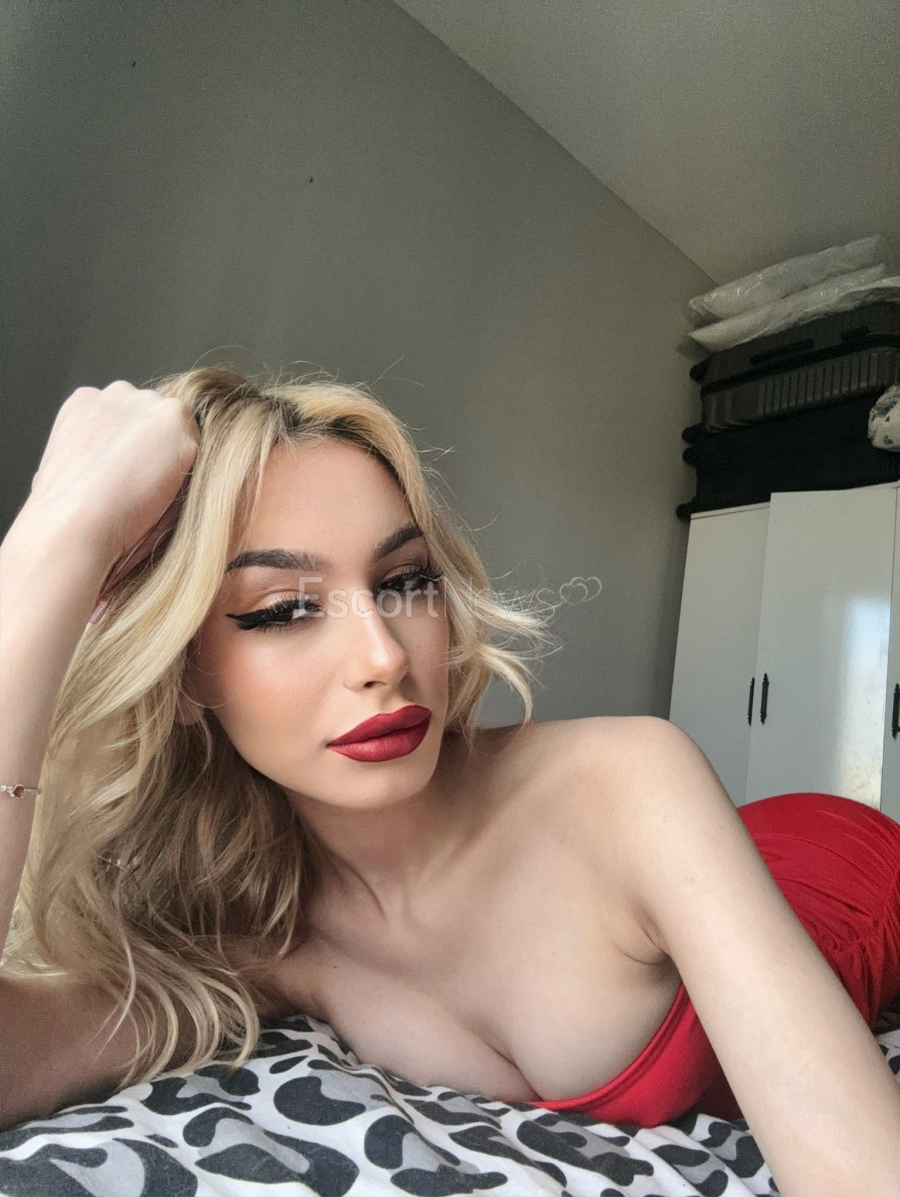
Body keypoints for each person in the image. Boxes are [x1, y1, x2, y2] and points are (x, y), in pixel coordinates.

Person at [1, 367, 898, 1195]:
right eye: (286, 609)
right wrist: (52, 545)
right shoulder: (252, 934)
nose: (384, 658)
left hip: (838, 866)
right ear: (184, 673)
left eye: (405, 581)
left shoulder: (630, 781)